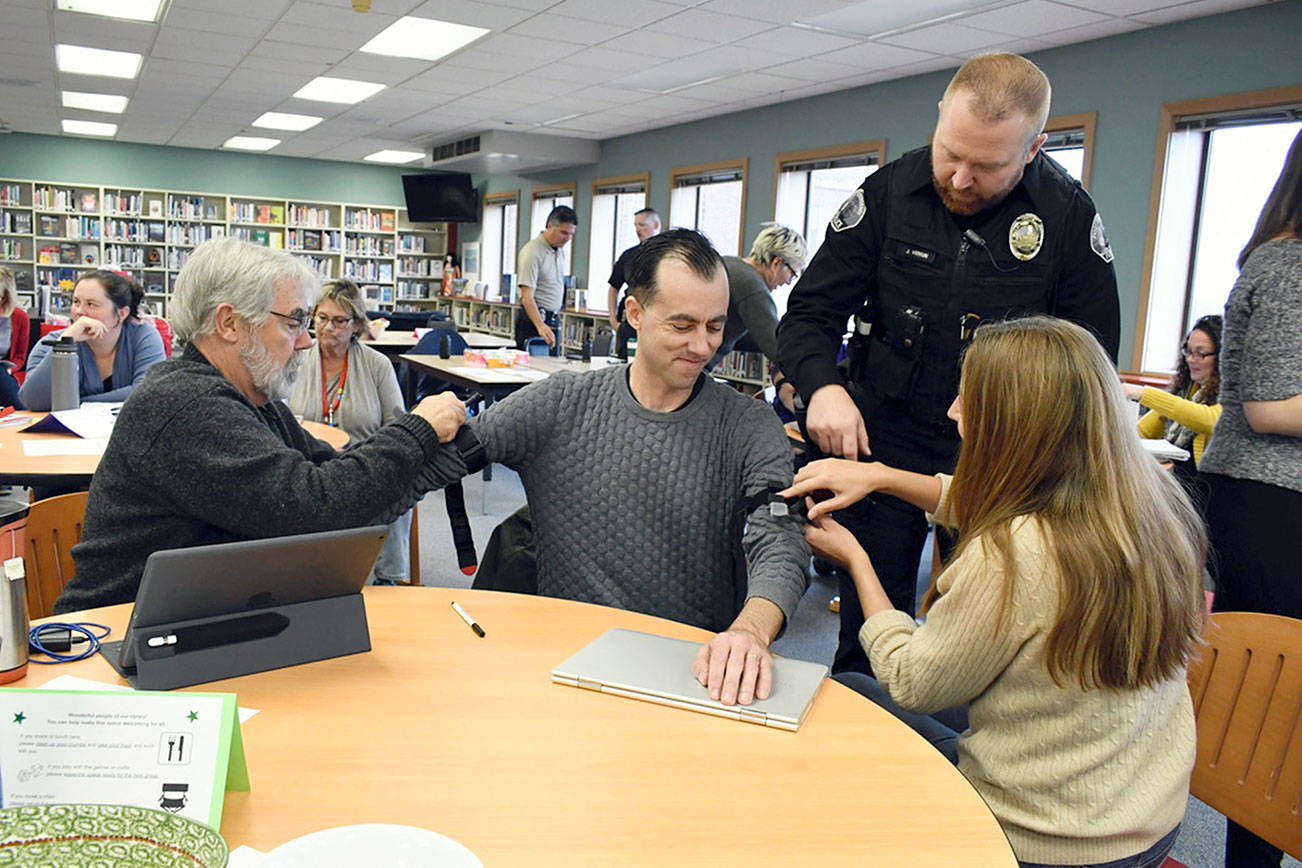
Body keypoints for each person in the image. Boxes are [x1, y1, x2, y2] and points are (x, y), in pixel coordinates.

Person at [785, 316, 1203, 868]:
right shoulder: (1153, 507)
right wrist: (881, 476)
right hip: (1145, 822)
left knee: (855, 689)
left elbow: (911, 681)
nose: (952, 411)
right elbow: (1001, 502)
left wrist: (858, 561)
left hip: (1040, 843)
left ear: (1012, 421)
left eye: (967, 399)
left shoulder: (1011, 554)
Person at [775, 52, 1121, 676]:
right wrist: (823, 387)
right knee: (865, 638)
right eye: (950, 153)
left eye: (987, 166)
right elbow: (807, 315)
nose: (960, 179)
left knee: (987, 646)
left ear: (1034, 147)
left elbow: (1090, 363)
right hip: (883, 439)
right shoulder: (887, 194)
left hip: (1001, 458)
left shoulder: (1067, 216)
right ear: (939, 116)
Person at [467, 229, 807, 706]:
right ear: (635, 313)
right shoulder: (562, 402)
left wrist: (752, 629)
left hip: (689, 671)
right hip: (567, 665)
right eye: (682, 326)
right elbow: (438, 454)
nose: (703, 347)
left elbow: (781, 537)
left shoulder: (748, 425)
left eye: (715, 327)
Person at [55, 237, 468, 614]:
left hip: (190, 623)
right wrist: (418, 429)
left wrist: (433, 456)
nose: (306, 341)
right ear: (230, 323)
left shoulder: (252, 398)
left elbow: (333, 473)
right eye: (293, 323)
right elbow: (318, 507)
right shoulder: (187, 403)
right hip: (118, 638)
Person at [1198, 129, 1302, 868]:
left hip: (1272, 501)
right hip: (1269, 503)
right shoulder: (1290, 265)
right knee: (1268, 719)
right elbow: (1269, 408)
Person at [288, 277, 413, 585]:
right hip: (310, 464)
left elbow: (398, 428)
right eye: (322, 318)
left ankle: (388, 580)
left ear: (356, 324)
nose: (328, 328)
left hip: (365, 464)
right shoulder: (294, 361)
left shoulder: (377, 365)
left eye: (339, 321)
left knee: (398, 483)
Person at [20, 269, 166, 411]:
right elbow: (32, 401)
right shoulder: (52, 342)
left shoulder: (143, 337)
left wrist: (77, 403)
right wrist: (64, 345)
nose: (79, 311)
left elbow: (147, 393)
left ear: (122, 313)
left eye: (91, 304)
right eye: (76, 302)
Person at [1124, 314, 1222, 507]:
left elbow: (1209, 419)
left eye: (1200, 354)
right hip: (1175, 490)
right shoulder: (1185, 392)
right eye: (1188, 351)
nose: (1191, 359)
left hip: (1206, 496)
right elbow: (1139, 432)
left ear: (1221, 358)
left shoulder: (1231, 397)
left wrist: (1143, 393)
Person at [711, 223, 806, 412]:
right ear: (777, 263)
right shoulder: (752, 288)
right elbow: (779, 348)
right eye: (792, 274)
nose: (788, 282)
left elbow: (750, 338)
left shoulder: (729, 264)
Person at [515, 205, 577, 352]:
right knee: (535, 365)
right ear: (549, 226)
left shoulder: (559, 251)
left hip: (552, 320)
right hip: (534, 321)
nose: (567, 239)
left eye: (571, 234)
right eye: (563, 232)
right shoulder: (532, 252)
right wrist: (540, 325)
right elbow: (526, 296)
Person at [606, 207, 661, 360]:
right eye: (635, 225)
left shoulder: (667, 255)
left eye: (642, 225)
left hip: (655, 323)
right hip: (629, 323)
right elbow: (613, 287)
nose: (638, 229)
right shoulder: (628, 255)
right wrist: (613, 319)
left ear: (656, 225)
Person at [0, 265, 29, 408]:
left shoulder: (19, 317)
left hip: (3, 371)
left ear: (5, 297)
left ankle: (22, 413)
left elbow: (20, 356)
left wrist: (9, 370)